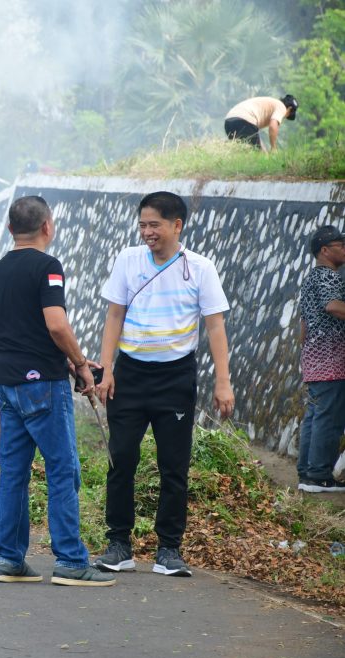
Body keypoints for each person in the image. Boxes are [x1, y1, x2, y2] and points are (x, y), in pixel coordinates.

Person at [93, 191, 234, 577]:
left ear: (177, 225)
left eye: (154, 224)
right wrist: (106, 369)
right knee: (120, 460)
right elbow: (114, 313)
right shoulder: (128, 259)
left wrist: (223, 381)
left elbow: (215, 325)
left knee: (173, 466)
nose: (147, 232)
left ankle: (169, 549)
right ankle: (118, 543)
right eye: (142, 224)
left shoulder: (200, 268)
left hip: (175, 376)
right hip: (130, 374)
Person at [0, 195, 114, 586]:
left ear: (10, 229)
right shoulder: (48, 266)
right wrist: (79, 363)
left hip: (6, 382)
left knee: (13, 472)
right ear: (47, 227)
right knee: (62, 470)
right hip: (41, 383)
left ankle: (8, 559)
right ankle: (71, 560)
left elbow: (20, 327)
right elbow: (56, 325)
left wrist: (70, 362)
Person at [295, 225, 345, 493]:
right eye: (341, 245)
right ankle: (319, 476)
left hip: (314, 357)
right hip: (331, 358)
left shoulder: (312, 278)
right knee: (329, 417)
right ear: (325, 250)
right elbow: (333, 306)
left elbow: (303, 325)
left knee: (315, 415)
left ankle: (307, 472)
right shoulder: (329, 276)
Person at [224, 94, 298, 151]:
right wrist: (273, 148)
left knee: (243, 151)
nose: (284, 117)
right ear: (289, 109)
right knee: (257, 155)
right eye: (288, 115)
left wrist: (264, 152)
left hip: (229, 121)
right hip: (244, 120)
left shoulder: (271, 104)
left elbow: (254, 134)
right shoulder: (281, 107)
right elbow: (273, 126)